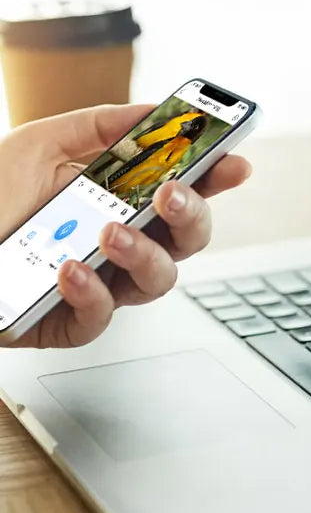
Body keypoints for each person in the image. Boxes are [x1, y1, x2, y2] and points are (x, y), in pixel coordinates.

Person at [0, 104, 251, 349]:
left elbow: (153, 145)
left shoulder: (182, 140)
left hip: (151, 167)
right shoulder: (182, 127)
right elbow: (146, 142)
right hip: (142, 167)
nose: (187, 122)